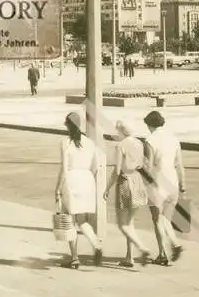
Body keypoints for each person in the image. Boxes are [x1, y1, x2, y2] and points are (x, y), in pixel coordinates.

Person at [55, 112, 104, 269]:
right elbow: (96, 166)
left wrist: (57, 189)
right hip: (87, 180)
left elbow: (63, 168)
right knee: (82, 220)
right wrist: (89, 178)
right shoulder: (89, 143)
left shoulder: (65, 143)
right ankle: (96, 244)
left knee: (69, 220)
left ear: (68, 126)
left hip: (71, 180)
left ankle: (74, 257)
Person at [104, 119, 152, 268]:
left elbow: (117, 171)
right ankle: (129, 257)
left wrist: (107, 188)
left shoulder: (120, 146)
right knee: (129, 222)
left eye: (117, 131)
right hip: (137, 181)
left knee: (122, 224)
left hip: (125, 182)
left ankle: (142, 248)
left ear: (121, 131)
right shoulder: (139, 143)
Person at [143, 110, 187, 266]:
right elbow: (179, 165)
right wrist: (183, 185)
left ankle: (163, 253)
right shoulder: (174, 139)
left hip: (157, 183)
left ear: (149, 125)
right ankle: (175, 244)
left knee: (157, 220)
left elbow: (148, 165)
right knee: (166, 219)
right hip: (173, 181)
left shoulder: (150, 140)